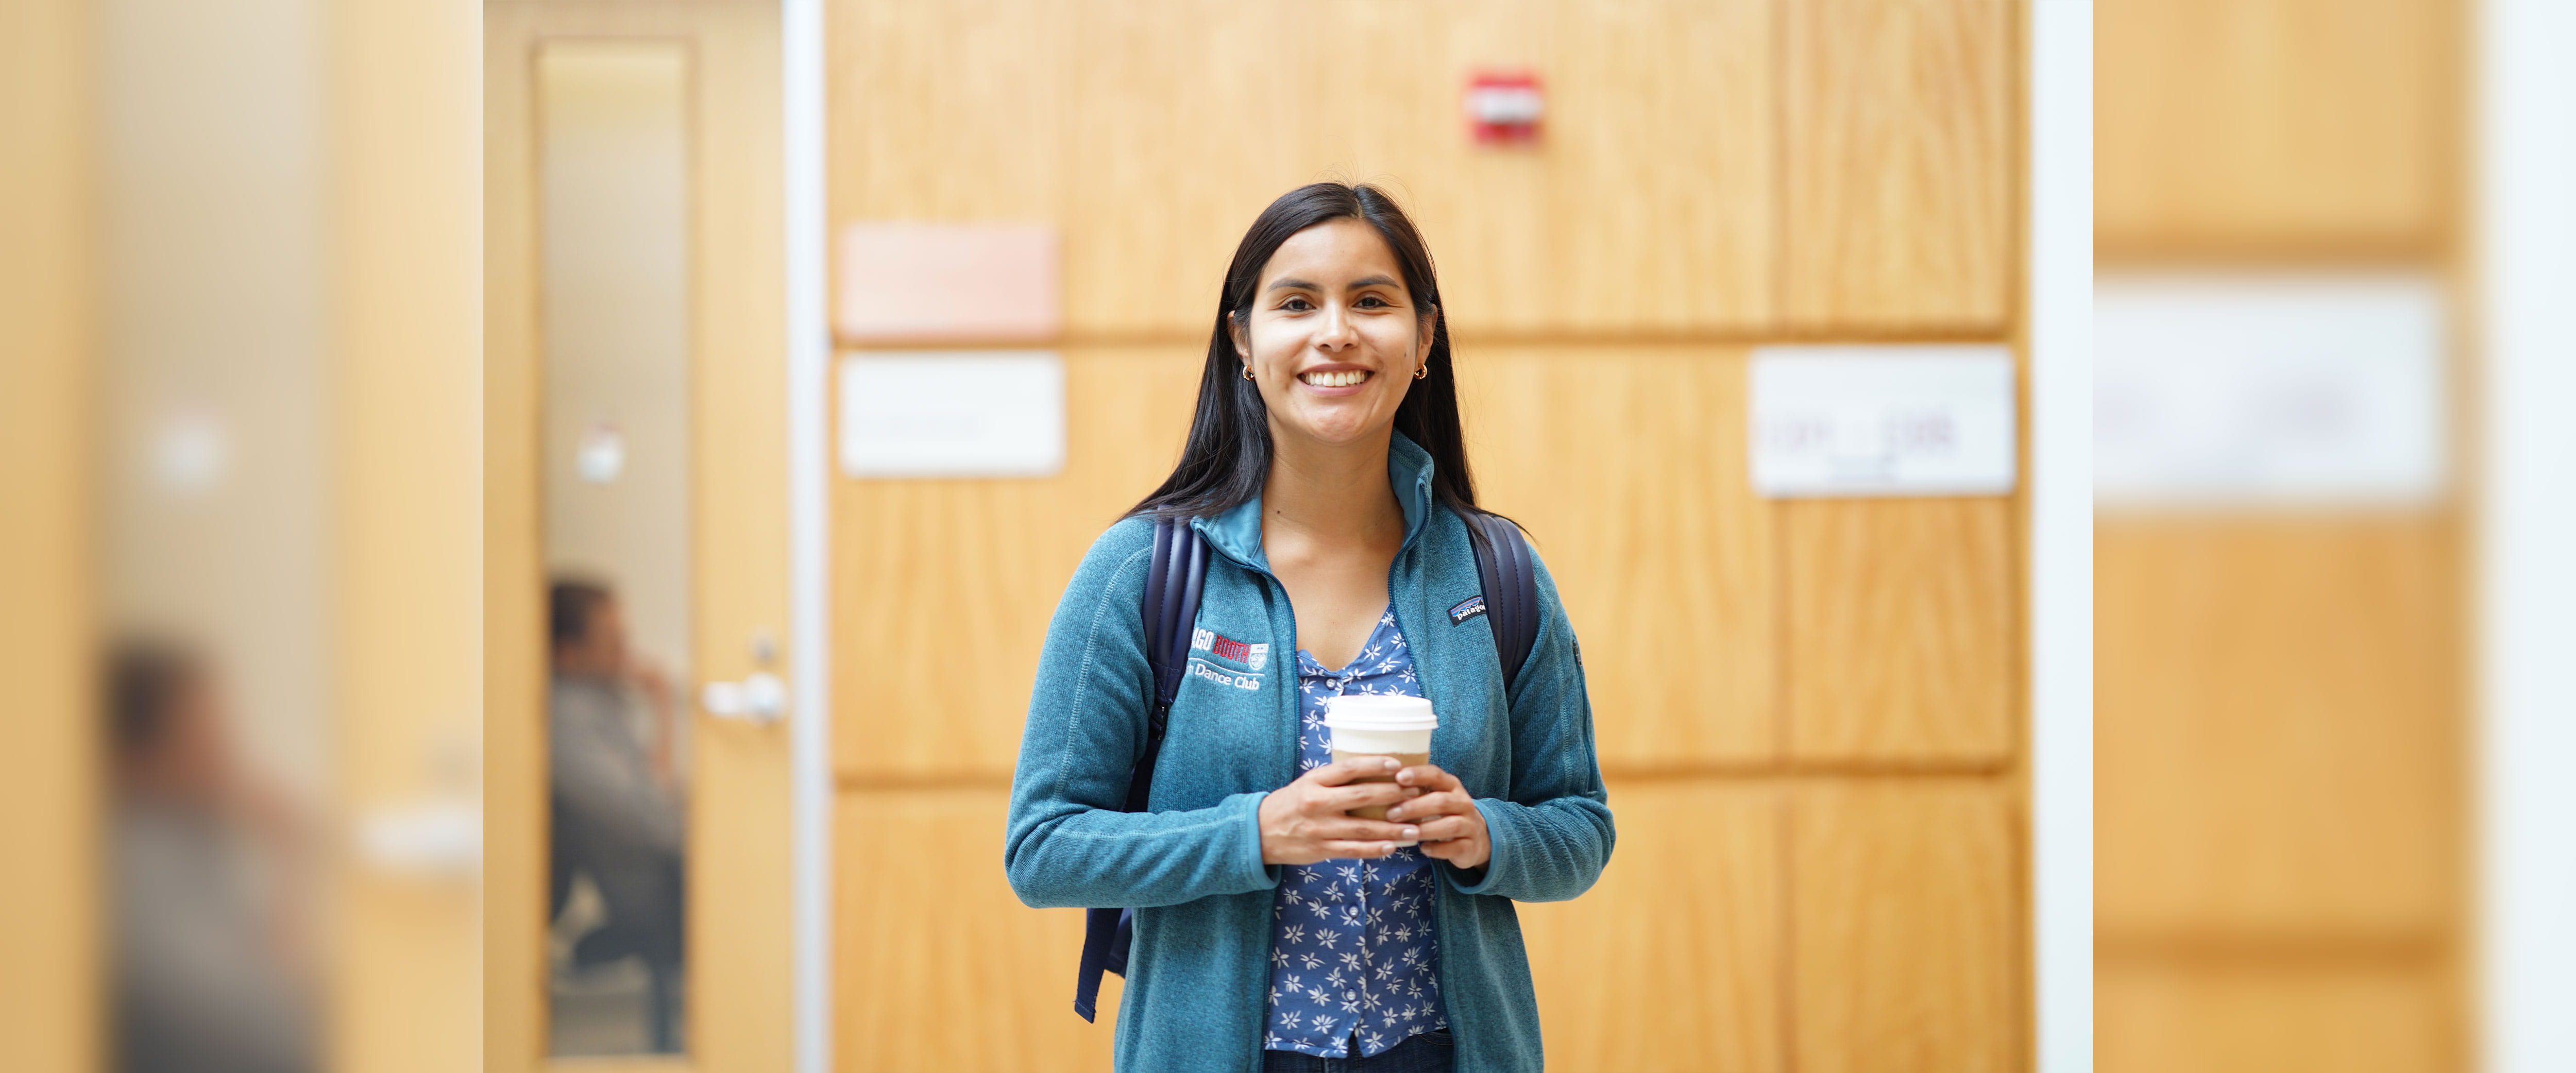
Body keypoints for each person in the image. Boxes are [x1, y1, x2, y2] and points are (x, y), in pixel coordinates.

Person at [1006, 182, 1614, 1072]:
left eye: (1371, 300)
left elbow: (1581, 826)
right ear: (1243, 340)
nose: (1336, 332)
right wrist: (1255, 832)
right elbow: (1043, 848)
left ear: (1425, 339)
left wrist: (1488, 835)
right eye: (1296, 303)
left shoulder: (1497, 571)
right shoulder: (1143, 571)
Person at [107, 640, 316, 1073]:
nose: (228, 754)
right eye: (207, 735)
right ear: (139, 757)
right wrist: (290, 861)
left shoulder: (192, 837)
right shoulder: (139, 863)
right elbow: (267, 1029)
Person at [548, 579, 686, 1052]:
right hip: (653, 893)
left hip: (660, 875)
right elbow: (657, 819)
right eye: (613, 639)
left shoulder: (598, 704)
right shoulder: (567, 719)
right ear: (568, 654)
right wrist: (664, 706)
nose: (627, 650)